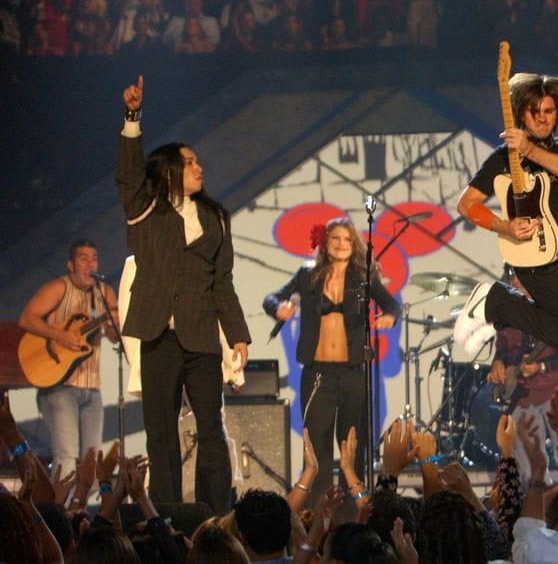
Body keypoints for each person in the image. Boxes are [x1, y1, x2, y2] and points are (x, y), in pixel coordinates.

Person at [115, 75, 251, 515]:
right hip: (157, 334)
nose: (199, 167)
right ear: (170, 169)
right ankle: (168, 515)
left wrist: (237, 334)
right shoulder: (146, 209)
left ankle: (214, 514)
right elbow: (128, 175)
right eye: (190, 162)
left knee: (211, 426)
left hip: (199, 336)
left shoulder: (215, 217)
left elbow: (223, 281)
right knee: (161, 430)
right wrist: (132, 118)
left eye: (197, 162)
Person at [454, 72, 558, 362]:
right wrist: (504, 227)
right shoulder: (502, 158)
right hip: (532, 257)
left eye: (549, 111)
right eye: (534, 112)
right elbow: (466, 204)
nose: (543, 118)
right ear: (521, 113)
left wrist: (529, 149)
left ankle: (498, 311)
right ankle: (494, 302)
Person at [263, 217, 398, 506]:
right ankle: (317, 515)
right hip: (318, 374)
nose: (341, 244)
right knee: (317, 448)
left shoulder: (363, 277)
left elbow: (392, 303)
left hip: (351, 374)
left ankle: (351, 515)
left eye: (347, 239)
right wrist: (278, 309)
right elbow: (271, 297)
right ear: (326, 242)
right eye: (335, 238)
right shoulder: (307, 274)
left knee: (352, 446)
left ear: (355, 244)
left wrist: (390, 316)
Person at [18, 239, 119, 478]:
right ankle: (60, 514)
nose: (90, 263)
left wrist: (113, 324)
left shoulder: (104, 293)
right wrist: (59, 336)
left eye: (94, 258)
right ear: (70, 264)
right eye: (83, 258)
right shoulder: (58, 288)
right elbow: (27, 318)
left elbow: (115, 337)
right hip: (59, 387)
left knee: (91, 462)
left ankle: (81, 513)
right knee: (66, 457)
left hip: (92, 389)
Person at [487, 268, 558, 485]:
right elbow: (503, 346)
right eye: (510, 274)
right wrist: (497, 361)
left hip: (556, 388)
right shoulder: (508, 310)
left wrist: (543, 366)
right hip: (523, 393)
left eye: (518, 274)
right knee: (528, 460)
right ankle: (539, 509)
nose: (513, 279)